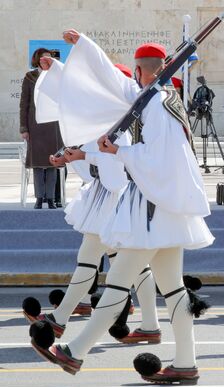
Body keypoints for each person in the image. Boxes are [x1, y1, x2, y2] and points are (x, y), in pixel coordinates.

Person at [29, 30, 214, 385]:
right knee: (174, 290)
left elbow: (160, 157)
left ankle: (74, 352)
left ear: (142, 71)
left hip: (152, 208)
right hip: (164, 209)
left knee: (117, 284)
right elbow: (107, 81)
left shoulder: (159, 104)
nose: (130, 76)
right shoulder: (153, 97)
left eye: (135, 71)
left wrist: (120, 152)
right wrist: (76, 52)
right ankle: (186, 363)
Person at [23, 58, 161, 345]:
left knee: (90, 261)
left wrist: (84, 156)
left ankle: (60, 319)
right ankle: (150, 324)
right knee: (134, 266)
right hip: (107, 200)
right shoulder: (110, 119)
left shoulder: (122, 122)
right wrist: (74, 157)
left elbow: (114, 167)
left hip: (114, 201)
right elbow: (96, 163)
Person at [19, 48, 64, 209]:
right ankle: (39, 198)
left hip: (53, 125)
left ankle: (51, 198)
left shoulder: (57, 77)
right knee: (38, 164)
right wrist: (24, 128)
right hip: (35, 126)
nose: (47, 61)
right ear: (37, 60)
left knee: (53, 162)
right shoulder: (30, 77)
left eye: (49, 58)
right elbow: (24, 103)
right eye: (44, 58)